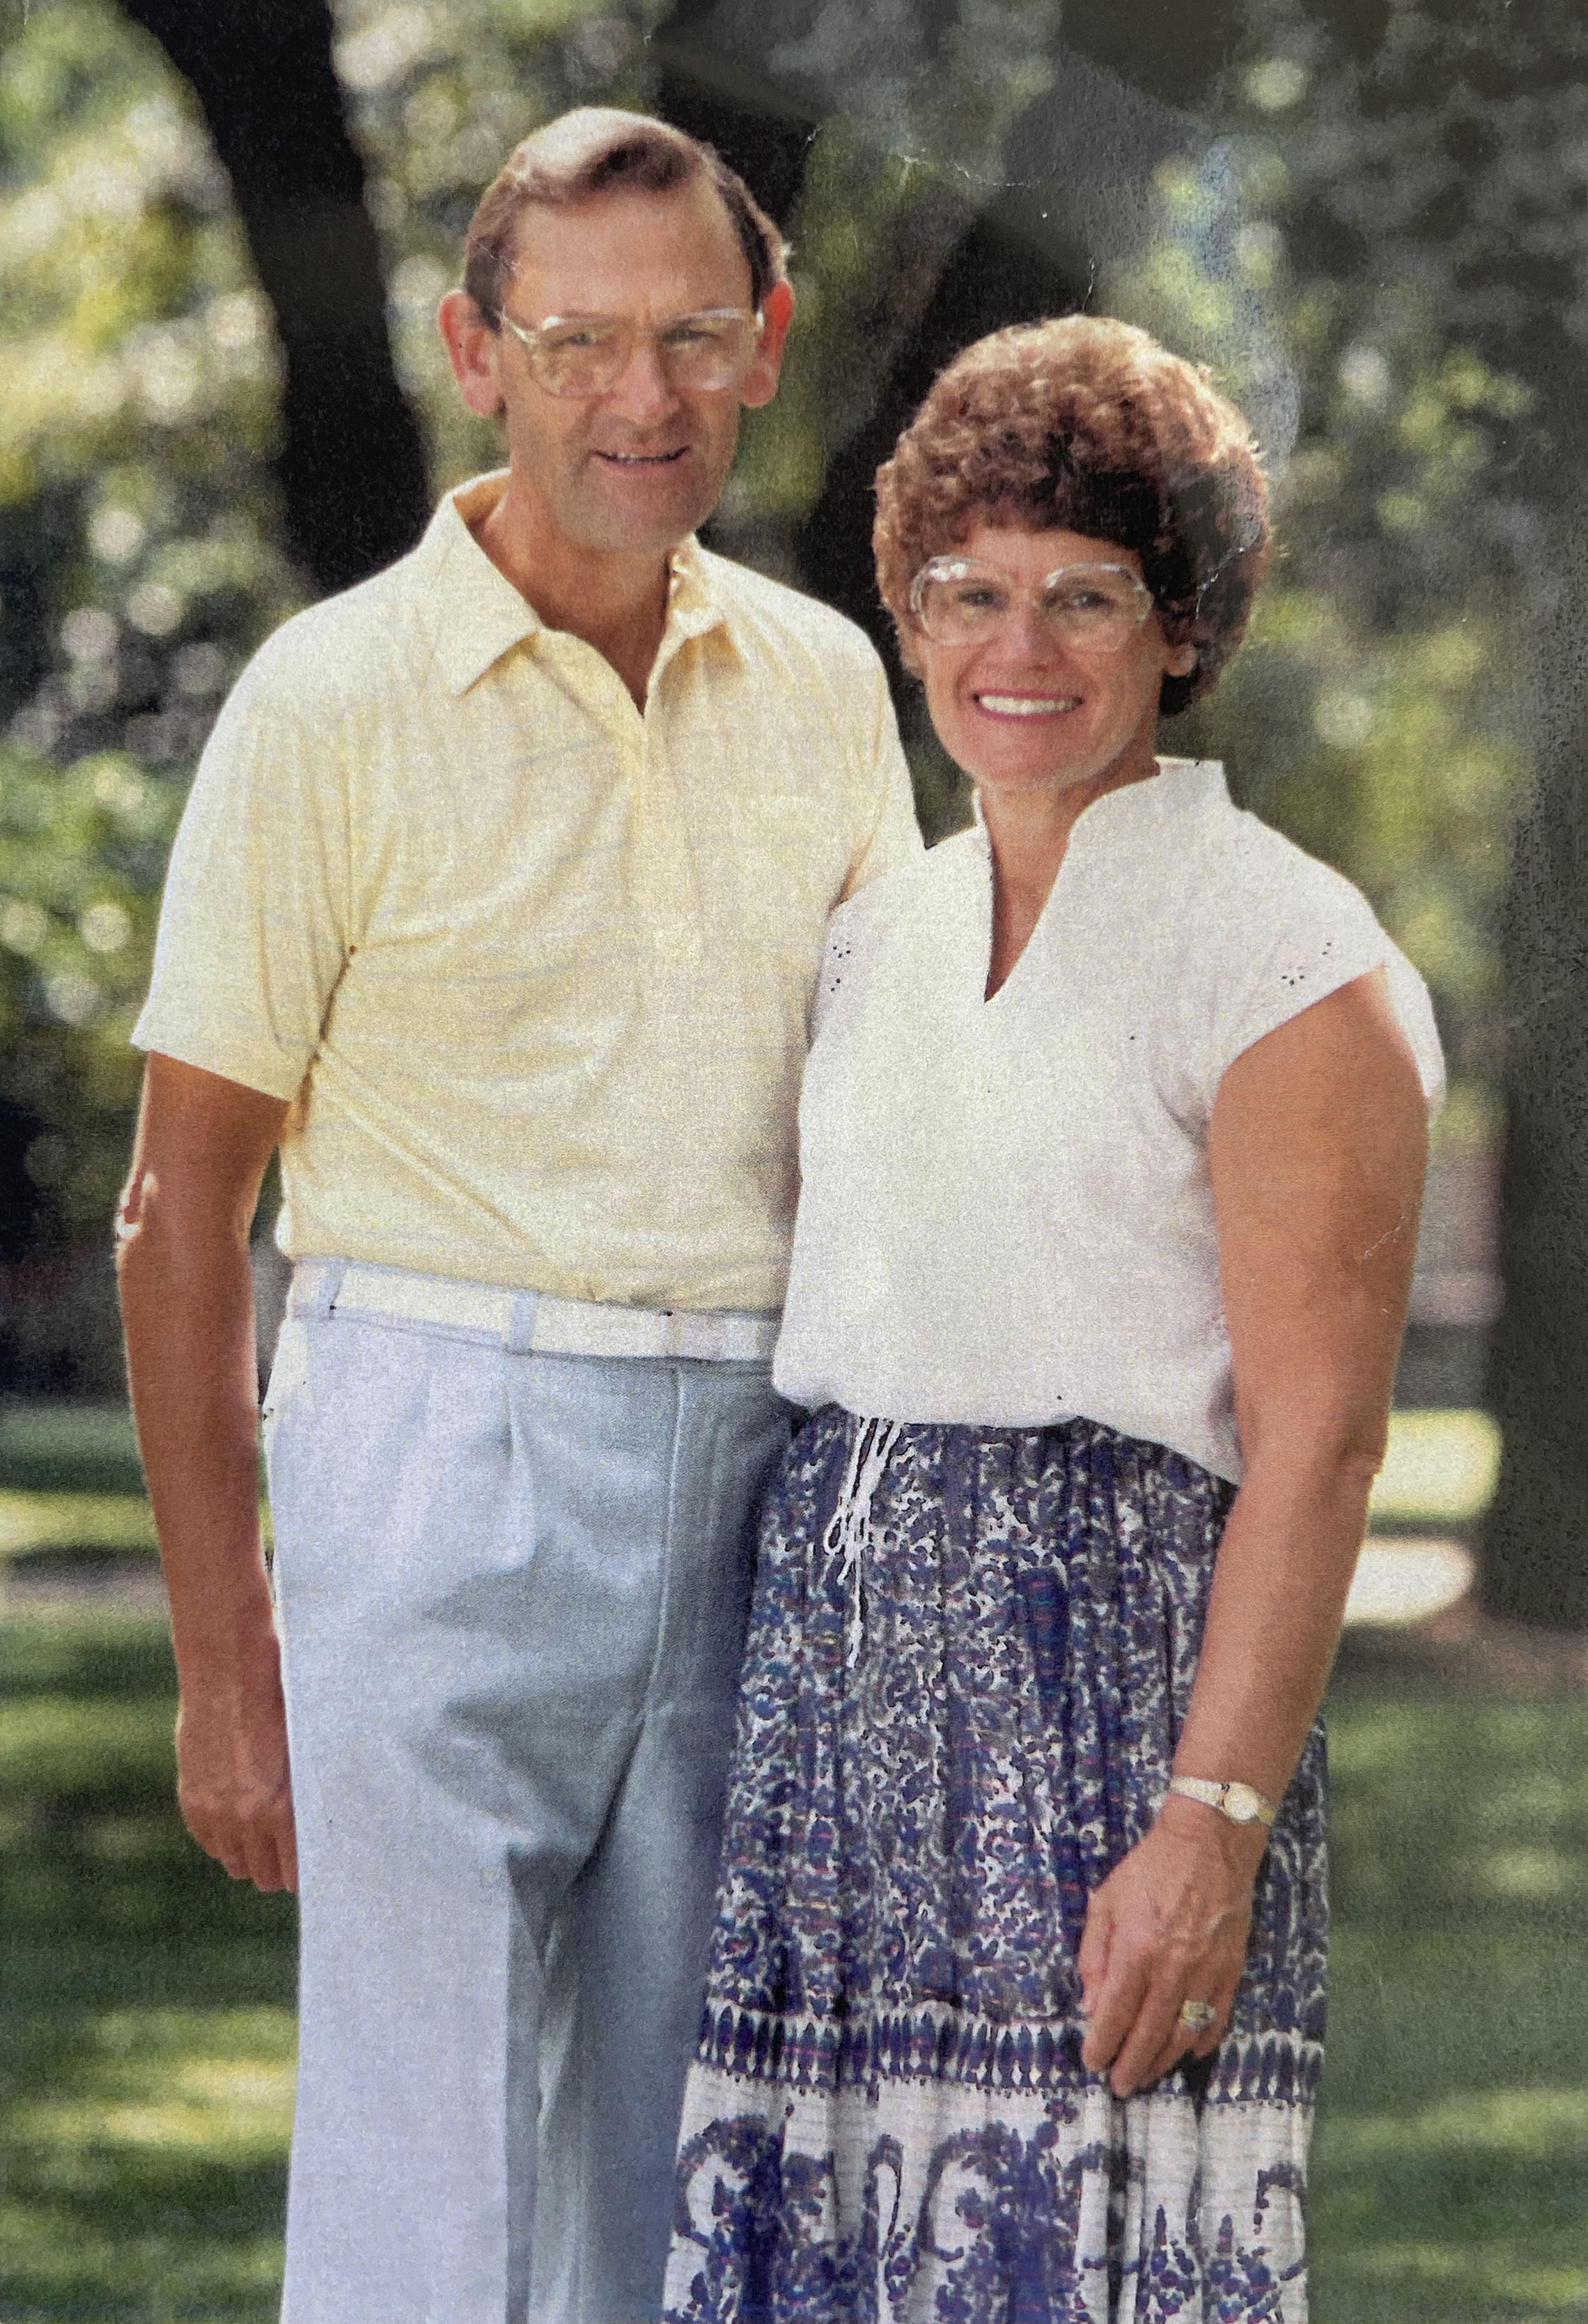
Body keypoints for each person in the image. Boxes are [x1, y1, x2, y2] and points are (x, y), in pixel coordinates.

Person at [116, 109, 920, 2324]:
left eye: (686, 340)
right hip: (436, 1454)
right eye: (576, 343)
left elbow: (899, 1121)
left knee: (690, 2182)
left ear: (764, 349)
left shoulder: (837, 690)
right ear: (478, 351)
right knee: (426, 2177)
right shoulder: (329, 702)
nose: (636, 400)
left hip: (757, 1470)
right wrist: (221, 1672)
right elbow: (182, 1209)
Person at [664, 316, 1442, 2321]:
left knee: (1072, 2257)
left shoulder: (1287, 956)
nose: (1022, 646)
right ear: (909, 616)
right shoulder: (880, 935)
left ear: (1179, 629)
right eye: (971, 592)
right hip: (837, 1704)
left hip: (1110, 1697)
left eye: (1087, 596)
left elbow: (1328, 1444)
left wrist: (1212, 1826)